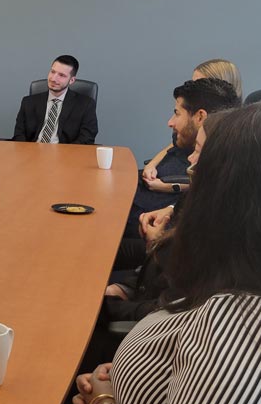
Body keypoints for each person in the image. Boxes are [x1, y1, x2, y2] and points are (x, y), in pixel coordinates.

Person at [74, 99, 261, 404]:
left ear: (233, 197)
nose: (190, 170)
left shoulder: (239, 340)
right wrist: (132, 379)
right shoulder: (254, 278)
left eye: (200, 163)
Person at [103, 110, 229, 322]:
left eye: (198, 150)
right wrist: (124, 288)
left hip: (146, 322)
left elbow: (172, 309)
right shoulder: (199, 195)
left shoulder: (215, 226)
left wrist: (108, 307)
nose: (190, 158)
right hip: (145, 286)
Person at [115, 77, 240, 270]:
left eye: (176, 113)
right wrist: (172, 208)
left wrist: (157, 240)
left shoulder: (214, 178)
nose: (170, 122)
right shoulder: (196, 145)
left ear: (200, 117)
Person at [141, 58, 241, 180]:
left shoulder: (224, 141)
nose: (194, 88)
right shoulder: (190, 133)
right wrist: (152, 164)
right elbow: (173, 145)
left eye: (200, 83)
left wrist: (173, 186)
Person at [12, 54, 98, 144]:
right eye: (53, 72)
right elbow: (19, 135)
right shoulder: (28, 102)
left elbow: (86, 138)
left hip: (66, 151)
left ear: (71, 80)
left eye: (61, 75)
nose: (53, 79)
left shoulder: (86, 104)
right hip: (32, 150)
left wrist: (65, 152)